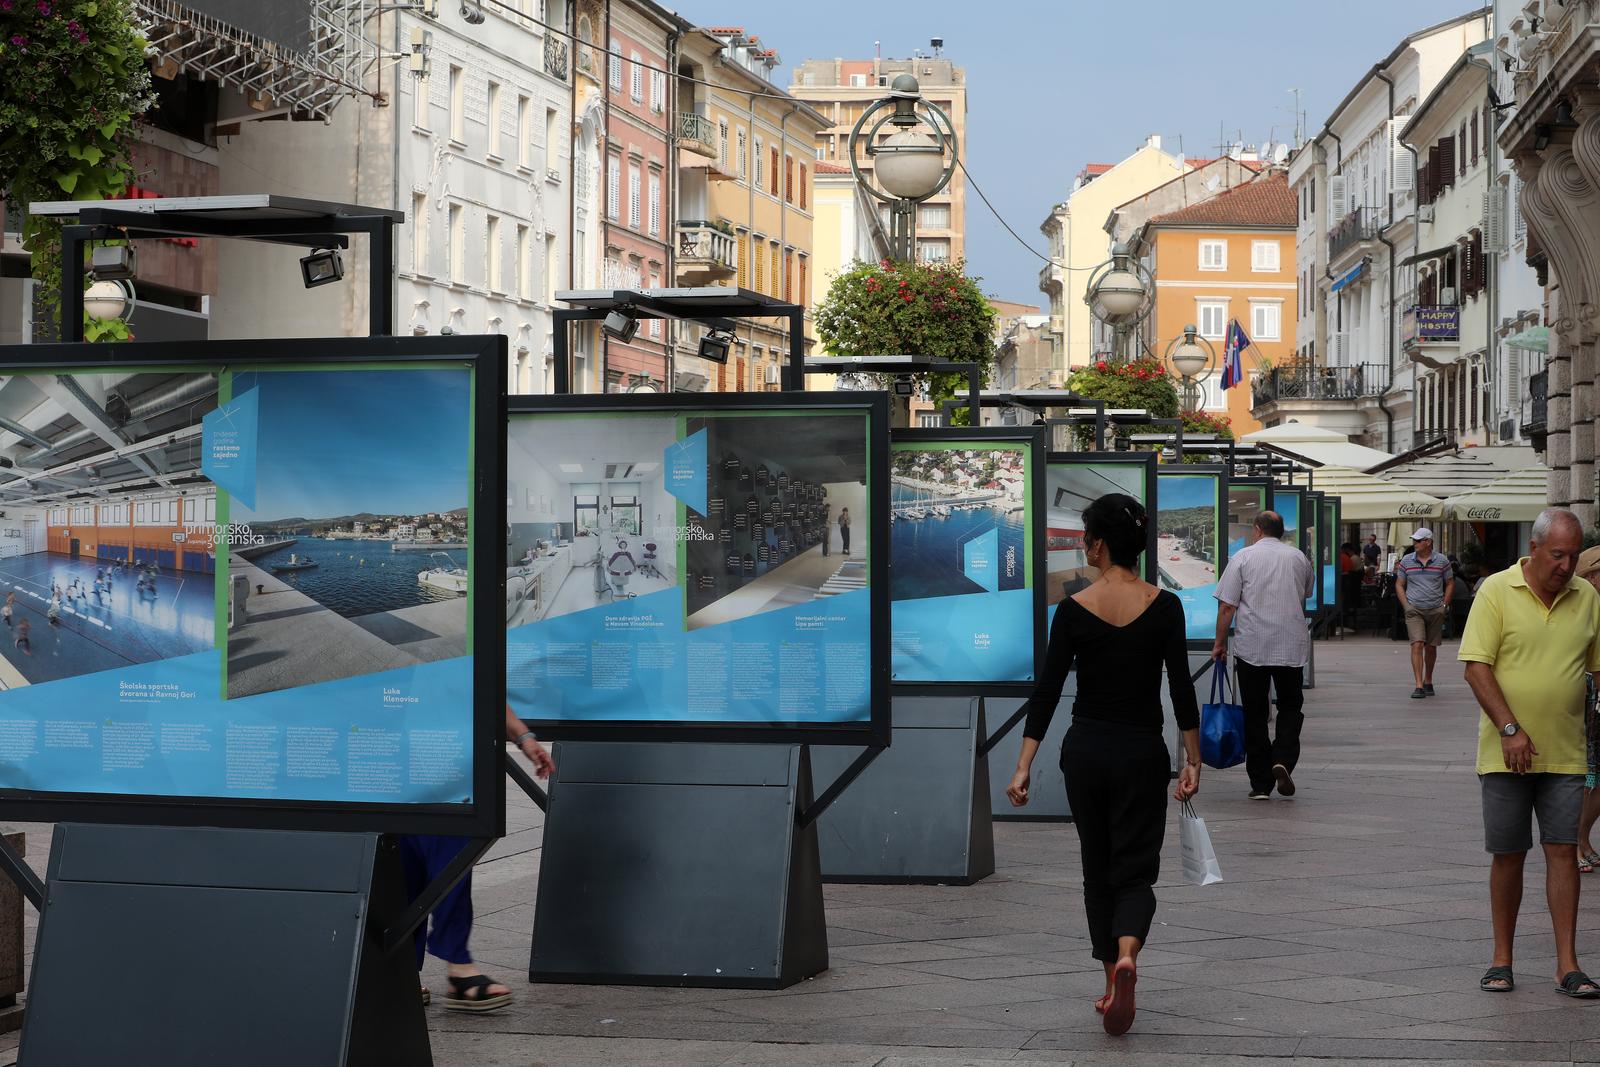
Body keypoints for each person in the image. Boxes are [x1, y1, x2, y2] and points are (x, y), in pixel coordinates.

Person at [1006, 493, 1200, 1037]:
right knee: (1136, 866)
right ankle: (1128, 953)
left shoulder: (1072, 610)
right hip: (1141, 751)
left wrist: (1023, 765)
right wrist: (1194, 759)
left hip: (1086, 751)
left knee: (1098, 864)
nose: (1085, 547)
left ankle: (1111, 984)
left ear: (1101, 543)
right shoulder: (1165, 606)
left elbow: (1046, 693)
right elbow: (1181, 689)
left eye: (1088, 537)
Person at [1462, 509, 1600, 998]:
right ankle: (1502, 960)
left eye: (1573, 556)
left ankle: (1568, 965)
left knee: (1563, 853)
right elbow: (1476, 666)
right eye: (1558, 555)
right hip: (1506, 751)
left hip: (1565, 751)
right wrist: (1510, 728)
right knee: (1508, 854)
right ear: (1536, 548)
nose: (1566, 566)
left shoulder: (1587, 598)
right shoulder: (1497, 590)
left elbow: (1596, 670)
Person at [402, 704, 555, 1012]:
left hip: (441, 758)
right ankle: (403, 969)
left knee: (449, 848)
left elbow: (479, 684)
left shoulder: (451, 658)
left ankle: (455, 964)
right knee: (402, 861)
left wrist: (523, 736)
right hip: (389, 751)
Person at [1212, 511, 1315, 800]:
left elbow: (1227, 607)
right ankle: (1282, 758)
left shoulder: (1242, 558)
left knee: (1255, 713)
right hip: (1290, 647)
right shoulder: (1298, 558)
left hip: (1252, 647)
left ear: (1257, 530)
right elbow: (1305, 592)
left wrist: (1220, 642)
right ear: (1280, 532)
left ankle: (1260, 784)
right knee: (1290, 706)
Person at [1396, 527, 1454, 698]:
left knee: (1431, 647)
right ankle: (1419, 685)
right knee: (1417, 643)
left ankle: (1428, 679)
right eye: (1414, 540)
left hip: (1435, 609)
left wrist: (1444, 605)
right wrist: (1406, 605)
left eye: (1418, 541)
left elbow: (1450, 582)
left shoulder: (1442, 561)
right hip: (1414, 609)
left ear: (1428, 542)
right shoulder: (1407, 561)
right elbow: (1399, 584)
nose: (1415, 544)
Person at [1575, 545, 1600, 875]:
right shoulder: (1582, 607)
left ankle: (1582, 838)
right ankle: (1574, 841)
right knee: (1589, 776)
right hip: (1588, 697)